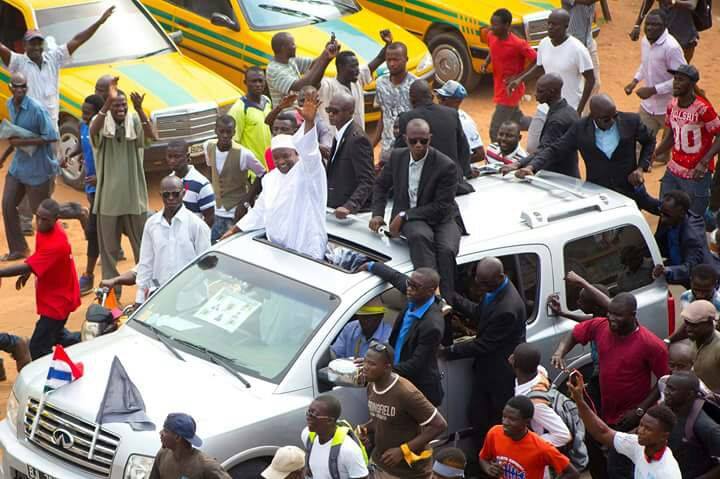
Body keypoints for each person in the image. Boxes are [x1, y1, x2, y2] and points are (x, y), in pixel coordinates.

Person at [551, 292, 670, 477]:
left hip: (630, 419)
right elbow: (574, 334)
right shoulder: (600, 326)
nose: (612, 319)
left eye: (618, 316)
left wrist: (639, 410)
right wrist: (560, 352)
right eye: (610, 313)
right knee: (594, 451)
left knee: (620, 467)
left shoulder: (651, 344)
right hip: (603, 409)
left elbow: (664, 381)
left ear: (633, 315)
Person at [511, 94, 661, 215]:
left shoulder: (631, 121)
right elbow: (555, 149)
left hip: (629, 190)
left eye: (614, 116)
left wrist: (641, 168)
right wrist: (531, 167)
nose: (612, 122)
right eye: (606, 119)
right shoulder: (580, 129)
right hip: (599, 195)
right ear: (593, 116)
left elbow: (649, 141)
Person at [222, 90, 328, 261]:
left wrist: (309, 122)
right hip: (277, 251)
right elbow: (259, 211)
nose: (281, 162)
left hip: (307, 249)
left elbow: (310, 151)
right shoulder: (271, 179)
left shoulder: (308, 171)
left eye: (286, 156)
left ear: (296, 153)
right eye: (276, 157)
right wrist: (234, 230)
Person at [370, 118, 465, 299]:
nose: (419, 145)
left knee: (447, 250)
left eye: (424, 140)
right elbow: (380, 185)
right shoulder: (397, 157)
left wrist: (405, 215)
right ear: (405, 139)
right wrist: (377, 215)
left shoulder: (445, 165)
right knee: (420, 237)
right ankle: (430, 295)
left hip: (442, 216)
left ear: (430, 138)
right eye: (414, 141)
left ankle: (448, 297)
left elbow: (442, 206)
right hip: (415, 219)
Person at [440, 257, 526, 451]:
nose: (479, 286)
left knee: (494, 422)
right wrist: (453, 297)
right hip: (486, 370)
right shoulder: (494, 290)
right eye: (477, 280)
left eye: (484, 283)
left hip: (499, 374)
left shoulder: (508, 308)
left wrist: (448, 352)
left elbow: (483, 345)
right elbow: (480, 313)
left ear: (501, 277)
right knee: (477, 416)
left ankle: (497, 461)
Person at [0, 6, 114, 127]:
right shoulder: (18, 62)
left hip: (51, 129)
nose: (36, 47)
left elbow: (77, 40)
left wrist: (99, 22)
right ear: (24, 45)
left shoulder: (53, 58)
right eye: (32, 44)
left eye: (39, 44)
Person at [89, 80, 156, 287]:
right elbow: (93, 130)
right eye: (116, 105)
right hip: (108, 200)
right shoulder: (101, 123)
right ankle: (111, 297)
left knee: (143, 250)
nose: (121, 109)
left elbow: (152, 136)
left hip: (134, 197)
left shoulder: (134, 121)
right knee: (108, 253)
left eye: (123, 105)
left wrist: (139, 110)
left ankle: (145, 291)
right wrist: (107, 104)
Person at [0, 199, 80, 360]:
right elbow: (38, 258)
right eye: (38, 217)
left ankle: (54, 376)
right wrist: (32, 268)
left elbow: (33, 262)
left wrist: (2, 272)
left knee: (38, 347)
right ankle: (89, 339)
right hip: (54, 295)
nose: (40, 222)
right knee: (58, 336)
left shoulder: (57, 244)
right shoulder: (46, 228)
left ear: (56, 219)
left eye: (45, 219)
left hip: (58, 301)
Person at [358, 263, 445, 405]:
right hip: (395, 379)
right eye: (409, 284)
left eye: (414, 287)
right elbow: (395, 276)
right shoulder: (416, 294)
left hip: (418, 391)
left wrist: (380, 368)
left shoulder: (432, 325)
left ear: (430, 292)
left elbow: (416, 365)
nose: (409, 289)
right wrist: (370, 265)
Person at [509, 9, 594, 152]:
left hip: (567, 110)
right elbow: (540, 67)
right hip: (544, 107)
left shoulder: (578, 49)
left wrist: (578, 111)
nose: (550, 27)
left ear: (566, 26)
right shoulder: (544, 44)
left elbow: (591, 80)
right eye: (548, 23)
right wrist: (520, 79)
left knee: (558, 151)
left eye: (555, 25)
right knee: (532, 147)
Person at [359, 343, 448, 479]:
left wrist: (403, 451)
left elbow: (439, 425)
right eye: (365, 361)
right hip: (379, 465)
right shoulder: (372, 387)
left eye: (372, 364)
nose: (365, 367)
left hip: (408, 473)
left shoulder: (406, 393)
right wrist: (365, 429)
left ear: (387, 367)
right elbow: (381, 418)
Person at [569, 375, 682, 478]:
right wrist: (579, 400)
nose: (640, 431)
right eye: (641, 425)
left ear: (663, 436)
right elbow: (602, 433)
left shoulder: (668, 472)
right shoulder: (638, 445)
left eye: (648, 429)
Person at [2, 73, 58, 261]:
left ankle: (77, 213)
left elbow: (51, 136)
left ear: (27, 88)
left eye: (23, 87)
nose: (20, 90)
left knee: (41, 211)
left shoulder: (36, 109)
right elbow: (16, 134)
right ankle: (19, 249)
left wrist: (24, 141)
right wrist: (4, 156)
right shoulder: (9, 104)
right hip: (19, 166)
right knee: (8, 204)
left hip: (38, 168)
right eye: (16, 86)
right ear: (10, 87)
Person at [654, 65, 720, 217]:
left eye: (681, 80)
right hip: (673, 170)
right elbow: (671, 136)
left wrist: (704, 162)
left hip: (696, 175)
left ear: (691, 84)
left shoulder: (703, 109)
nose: (676, 83)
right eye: (675, 79)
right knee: (665, 211)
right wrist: (656, 153)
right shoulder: (672, 105)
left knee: (694, 218)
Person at [624, 9, 687, 166]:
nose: (650, 28)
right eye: (648, 24)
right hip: (648, 106)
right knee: (639, 142)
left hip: (669, 107)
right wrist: (635, 81)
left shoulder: (672, 48)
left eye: (655, 25)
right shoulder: (646, 41)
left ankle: (662, 156)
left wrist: (653, 90)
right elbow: (646, 63)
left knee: (670, 142)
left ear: (665, 26)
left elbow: (682, 78)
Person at [135, 176, 211, 305]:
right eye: (166, 195)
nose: (171, 198)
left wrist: (182, 289)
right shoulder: (152, 224)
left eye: (175, 194)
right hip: (160, 298)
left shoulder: (197, 225)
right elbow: (146, 263)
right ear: (160, 195)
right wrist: (140, 297)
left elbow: (205, 266)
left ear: (183, 193)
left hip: (192, 300)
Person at [478, 396, 580, 479]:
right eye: (504, 416)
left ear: (526, 422)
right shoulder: (495, 433)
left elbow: (572, 473)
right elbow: (483, 458)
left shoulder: (542, 448)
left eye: (512, 419)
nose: (505, 422)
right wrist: (489, 469)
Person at [395, 80, 471, 186]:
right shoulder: (451, 114)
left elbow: (400, 154)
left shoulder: (406, 118)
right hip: (454, 182)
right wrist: (466, 173)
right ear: (431, 96)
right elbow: (463, 148)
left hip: (425, 186)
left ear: (411, 100)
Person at [203, 115, 265, 243]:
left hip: (235, 214)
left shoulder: (244, 154)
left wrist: (247, 199)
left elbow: (262, 174)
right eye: (222, 131)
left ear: (234, 132)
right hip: (216, 211)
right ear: (216, 131)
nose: (225, 135)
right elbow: (210, 168)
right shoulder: (208, 146)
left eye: (229, 132)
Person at [318, 30, 393, 131]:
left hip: (356, 139)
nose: (357, 70)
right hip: (334, 143)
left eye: (357, 65)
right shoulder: (328, 86)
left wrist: (388, 43)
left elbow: (379, 59)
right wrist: (326, 57)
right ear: (341, 67)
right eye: (352, 66)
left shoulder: (357, 80)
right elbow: (314, 81)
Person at [510, 73, 580, 178]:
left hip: (558, 177)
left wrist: (518, 164)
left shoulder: (557, 121)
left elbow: (546, 149)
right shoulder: (569, 111)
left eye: (540, 91)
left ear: (552, 92)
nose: (536, 94)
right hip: (568, 173)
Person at [482, 8, 536, 142]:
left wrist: (519, 78)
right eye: (491, 23)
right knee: (518, 120)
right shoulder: (491, 36)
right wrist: (487, 62)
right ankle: (542, 123)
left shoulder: (518, 44)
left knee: (496, 130)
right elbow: (492, 49)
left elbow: (537, 61)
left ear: (507, 25)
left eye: (495, 25)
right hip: (499, 86)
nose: (492, 27)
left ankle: (498, 157)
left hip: (510, 90)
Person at [72, 94, 105, 295]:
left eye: (88, 113)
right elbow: (82, 146)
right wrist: (71, 154)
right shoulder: (83, 126)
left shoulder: (101, 130)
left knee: (94, 231)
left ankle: (88, 276)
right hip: (91, 188)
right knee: (96, 230)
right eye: (83, 112)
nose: (84, 116)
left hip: (105, 188)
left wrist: (100, 178)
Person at [510, 343, 572, 448]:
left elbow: (563, 435)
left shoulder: (535, 404)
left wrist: (528, 442)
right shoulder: (540, 372)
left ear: (514, 363)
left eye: (513, 356)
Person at [325, 92, 375, 219]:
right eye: (328, 110)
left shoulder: (358, 139)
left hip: (350, 214)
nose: (330, 114)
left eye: (335, 111)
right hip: (334, 208)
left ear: (350, 112)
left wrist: (350, 206)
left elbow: (367, 179)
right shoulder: (340, 134)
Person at [653, 191, 717, 288]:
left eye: (666, 215)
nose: (662, 219)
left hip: (698, 278)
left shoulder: (692, 237)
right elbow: (650, 204)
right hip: (675, 262)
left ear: (681, 213)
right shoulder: (669, 214)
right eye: (661, 213)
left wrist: (667, 270)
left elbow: (690, 268)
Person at [663, 371, 720, 478]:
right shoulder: (667, 407)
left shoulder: (705, 426)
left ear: (689, 394)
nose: (666, 392)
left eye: (672, 389)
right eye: (667, 387)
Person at [302, 394, 368, 479]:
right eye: (308, 412)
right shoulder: (307, 435)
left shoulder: (348, 450)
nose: (308, 417)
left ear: (329, 420)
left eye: (314, 414)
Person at [266, 31, 339, 107]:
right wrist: (325, 55)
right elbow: (302, 86)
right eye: (293, 44)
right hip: (286, 116)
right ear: (283, 48)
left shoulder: (290, 60)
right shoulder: (274, 70)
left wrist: (327, 52)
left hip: (299, 113)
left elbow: (313, 64)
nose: (296, 46)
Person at [149, 413, 231, 479]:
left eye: (165, 431)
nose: (160, 433)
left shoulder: (207, 466)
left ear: (177, 437)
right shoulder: (163, 454)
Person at [373, 42, 416, 162]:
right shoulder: (380, 83)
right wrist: (373, 144)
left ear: (406, 59)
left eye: (396, 60)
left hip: (407, 152)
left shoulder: (415, 85)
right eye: (389, 60)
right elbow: (383, 114)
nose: (392, 64)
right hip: (386, 151)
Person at [228, 66, 273, 172]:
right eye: (253, 81)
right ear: (245, 82)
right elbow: (233, 143)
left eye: (260, 81)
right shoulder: (239, 109)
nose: (258, 85)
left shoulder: (266, 101)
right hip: (252, 171)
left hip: (269, 166)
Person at [165, 139, 215, 227]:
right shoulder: (168, 181)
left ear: (187, 157)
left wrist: (197, 236)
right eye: (169, 156)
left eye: (177, 157)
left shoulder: (201, 184)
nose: (172, 160)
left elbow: (210, 218)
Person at [631, 0, 700, 62]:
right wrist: (637, 25)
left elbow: (692, 4)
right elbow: (648, 2)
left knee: (682, 70)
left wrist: (673, 2)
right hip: (664, 31)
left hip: (685, 33)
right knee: (659, 67)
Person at [434, 80, 486, 164]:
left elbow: (480, 154)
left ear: (457, 101)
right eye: (439, 97)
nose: (439, 101)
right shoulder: (441, 115)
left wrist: (455, 165)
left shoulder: (465, 123)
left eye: (443, 98)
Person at [677, 300, 720, 394]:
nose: (688, 329)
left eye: (694, 325)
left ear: (709, 323)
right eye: (687, 323)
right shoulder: (696, 339)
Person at [563, 0, 601, 95]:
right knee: (575, 86)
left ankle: (587, 110)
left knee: (595, 83)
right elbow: (587, 1)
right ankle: (575, 109)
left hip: (588, 41)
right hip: (572, 45)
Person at [299, 85, 334, 160]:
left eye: (309, 100)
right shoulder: (289, 118)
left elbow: (328, 152)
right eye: (302, 100)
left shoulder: (321, 126)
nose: (305, 104)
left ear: (317, 102)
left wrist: (308, 143)